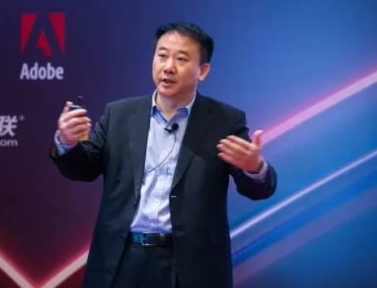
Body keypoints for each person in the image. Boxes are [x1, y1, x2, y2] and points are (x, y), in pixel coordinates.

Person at [49, 22, 277, 288]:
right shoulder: (119, 114)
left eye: (181, 59)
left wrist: (254, 167)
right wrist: (66, 143)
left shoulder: (224, 121)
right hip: (122, 259)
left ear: (202, 71)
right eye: (162, 55)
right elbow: (83, 169)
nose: (168, 67)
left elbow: (258, 189)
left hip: (190, 266)